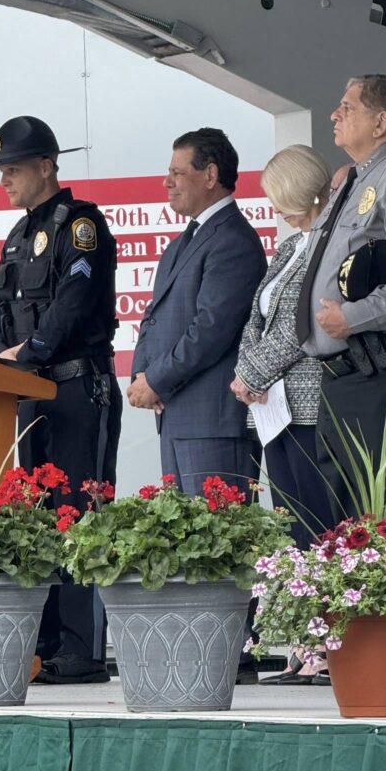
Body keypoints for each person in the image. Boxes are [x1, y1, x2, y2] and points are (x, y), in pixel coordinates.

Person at [0, 115, 122, 684]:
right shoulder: (18, 235)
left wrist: (31, 349)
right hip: (30, 392)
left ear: (46, 166)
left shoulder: (80, 223)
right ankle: (45, 642)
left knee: (78, 512)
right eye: (1, 172)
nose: (5, 181)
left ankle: (81, 650)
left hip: (75, 385)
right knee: (40, 518)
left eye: (13, 170)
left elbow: (75, 298)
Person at [297, 75, 386, 516]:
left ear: (379, 122)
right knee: (351, 517)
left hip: (381, 368)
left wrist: (355, 317)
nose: (333, 115)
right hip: (341, 375)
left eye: (347, 107)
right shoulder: (356, 178)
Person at [231, 145, 334, 685]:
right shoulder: (290, 246)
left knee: (318, 522)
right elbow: (259, 319)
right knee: (290, 524)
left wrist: (254, 374)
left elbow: (300, 325)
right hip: (272, 406)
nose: (272, 205)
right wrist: (248, 371)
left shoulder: (327, 246)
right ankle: (301, 644)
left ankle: (328, 644)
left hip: (307, 402)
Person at [127, 127, 266, 495]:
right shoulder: (182, 244)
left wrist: (155, 380)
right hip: (177, 415)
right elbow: (152, 317)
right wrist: (142, 372)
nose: (166, 182)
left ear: (210, 175)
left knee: (219, 544)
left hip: (214, 421)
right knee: (187, 545)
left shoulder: (232, 240)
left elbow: (210, 330)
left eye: (177, 172)